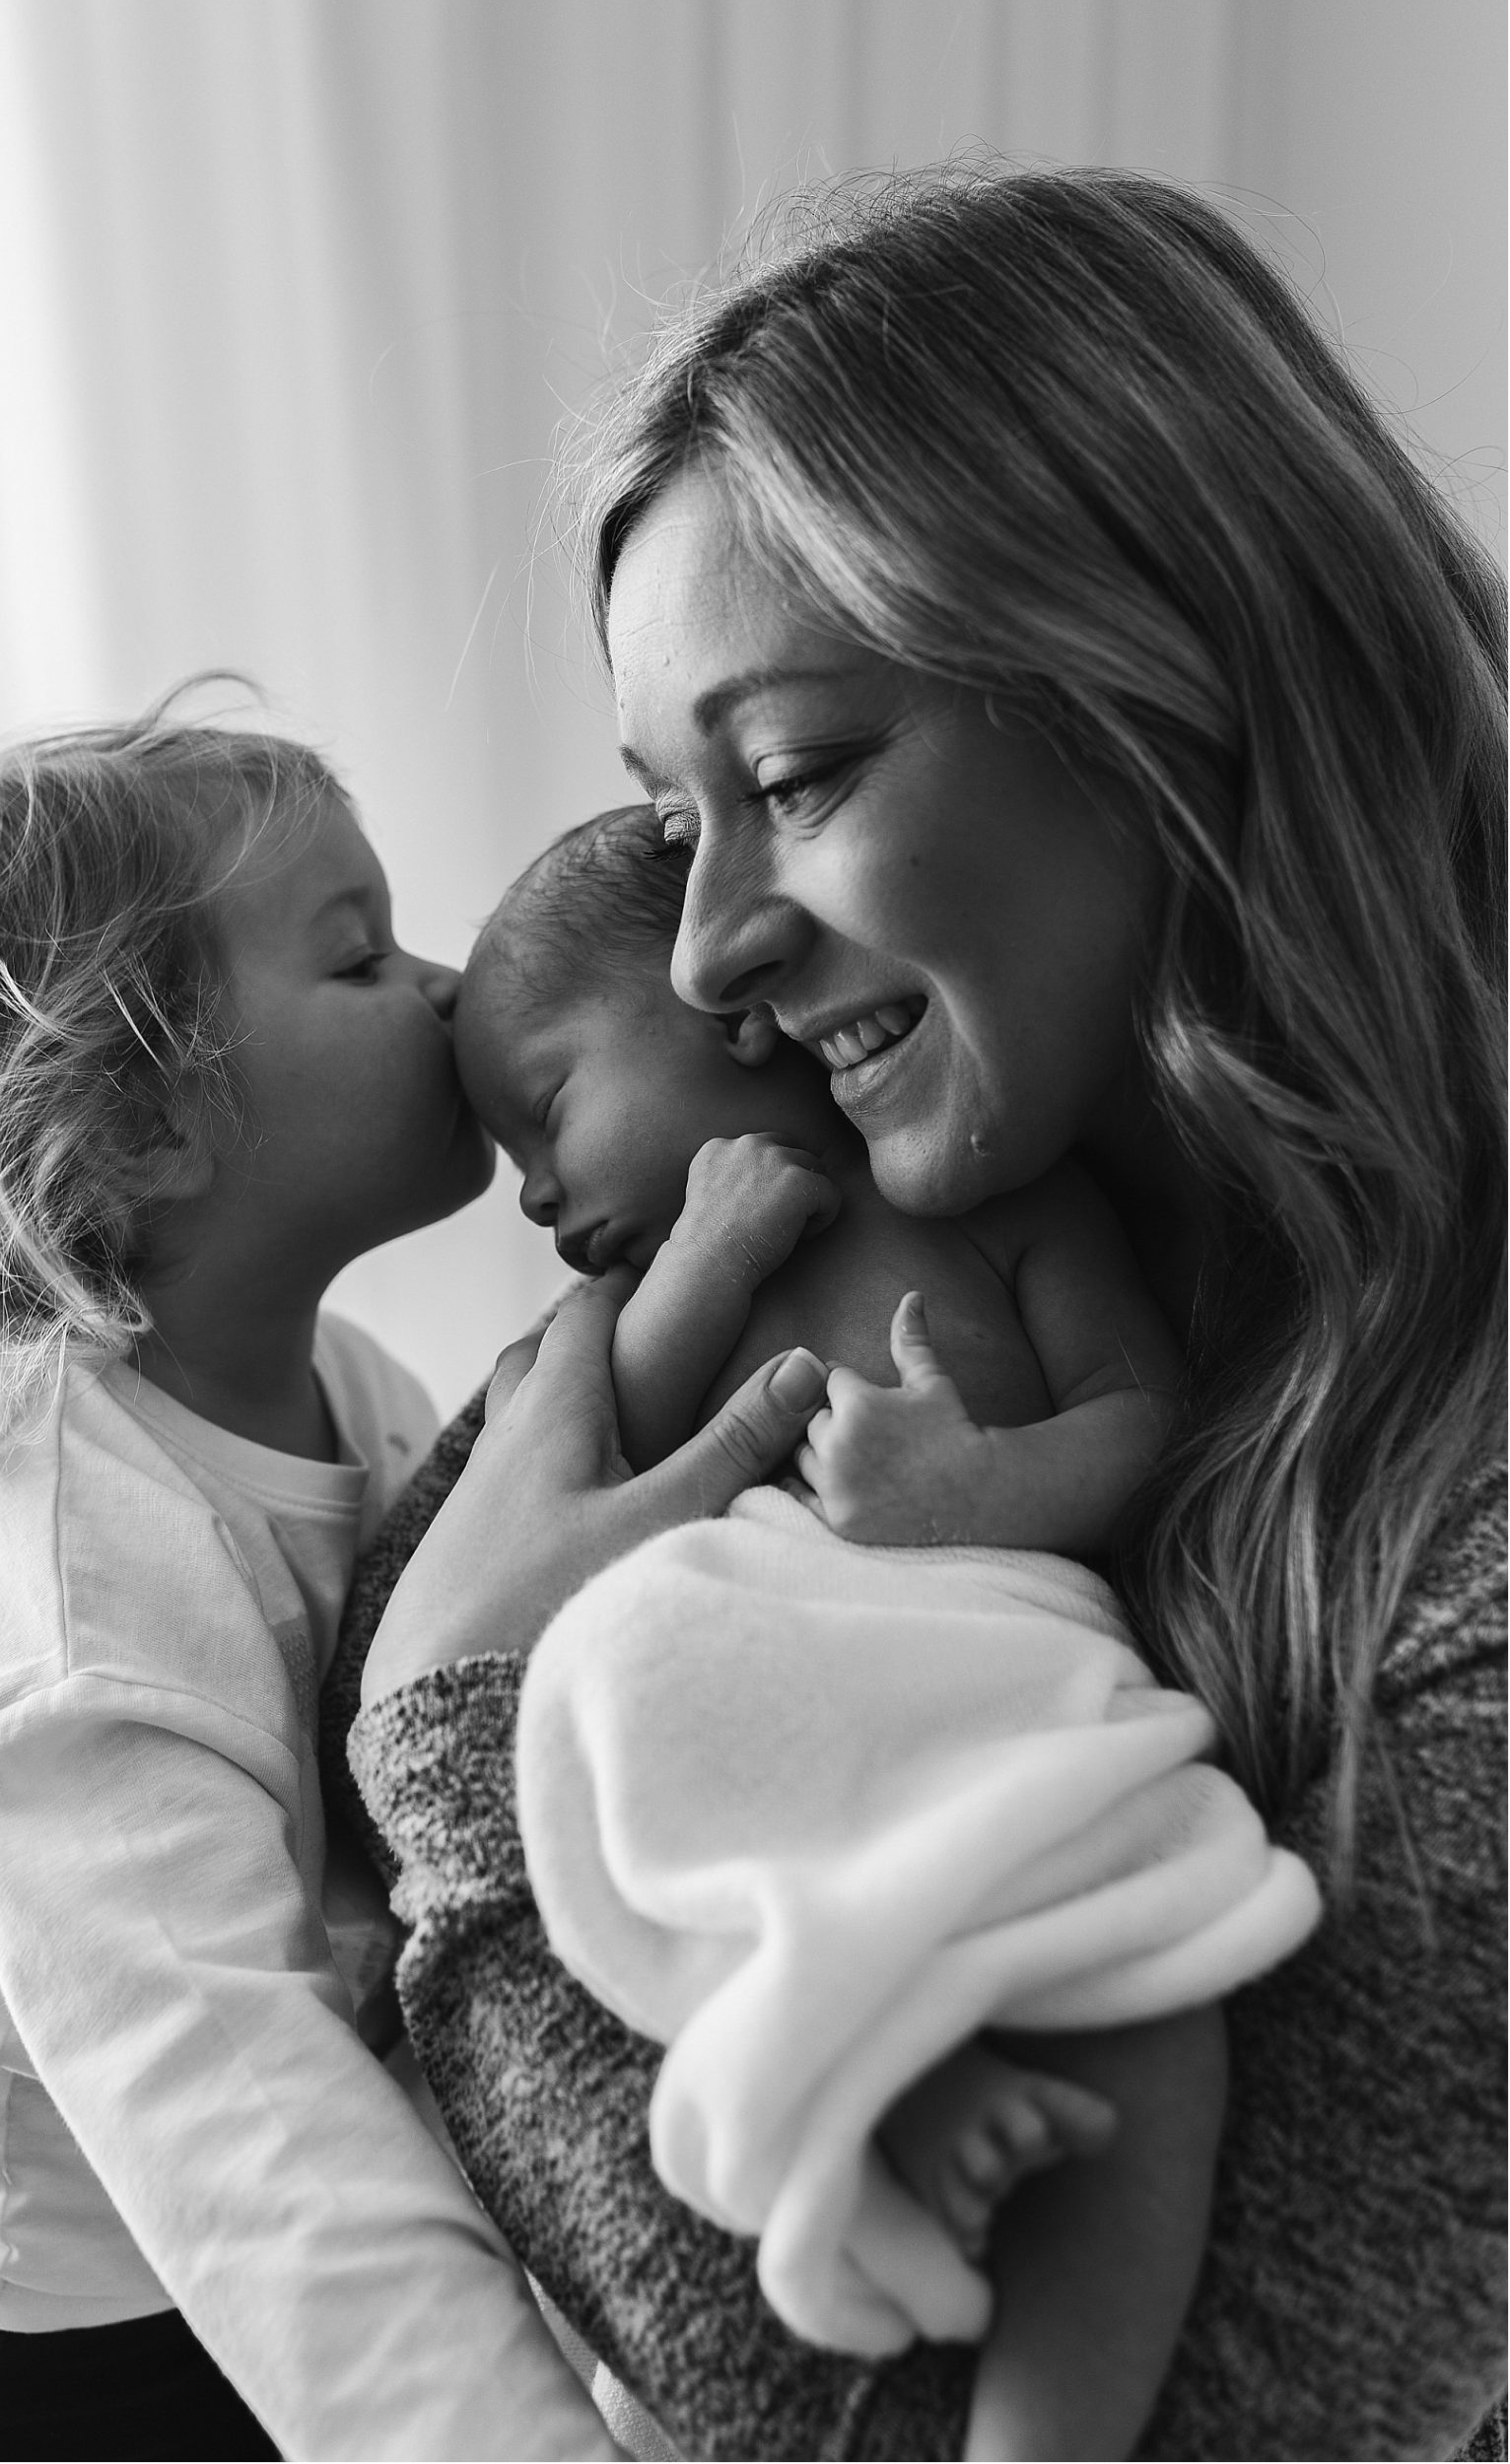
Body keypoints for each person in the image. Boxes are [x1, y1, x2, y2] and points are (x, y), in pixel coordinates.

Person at [338, 167, 1506, 2461]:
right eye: (671, 828)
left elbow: (1159, 2419)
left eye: (789, 777)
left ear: (1177, 687)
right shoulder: (838, 1233)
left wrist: (457, 1772)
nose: (700, 956)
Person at [0, 699, 652, 2461]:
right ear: (137, 1135)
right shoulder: (49, 1582)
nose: (445, 986)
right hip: (43, 2328)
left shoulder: (335, 1383)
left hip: (232, 2145)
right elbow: (256, 2157)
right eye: (359, 959)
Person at [444, 802, 1319, 2460]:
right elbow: (591, 1475)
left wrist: (984, 1484)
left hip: (991, 1685)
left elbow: (1142, 1415)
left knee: (1154, 1994)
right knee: (643, 1740)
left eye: (546, 1113)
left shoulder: (1007, 1205)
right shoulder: (625, 1311)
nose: (538, 1196)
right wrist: (707, 1255)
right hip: (751, 1706)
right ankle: (886, 2091)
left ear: (729, 1019)